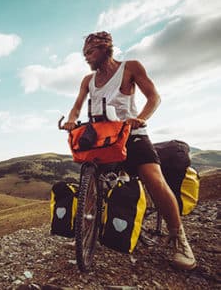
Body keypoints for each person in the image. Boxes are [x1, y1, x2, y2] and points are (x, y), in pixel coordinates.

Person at [61, 31, 196, 270]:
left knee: (154, 180)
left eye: (90, 52)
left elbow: (154, 97)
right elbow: (76, 107)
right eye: (84, 54)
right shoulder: (87, 80)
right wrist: (71, 120)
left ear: (104, 49)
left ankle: (179, 239)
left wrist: (141, 118)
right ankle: (86, 232)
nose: (86, 58)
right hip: (102, 138)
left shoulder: (130, 67)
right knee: (92, 184)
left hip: (131, 134)